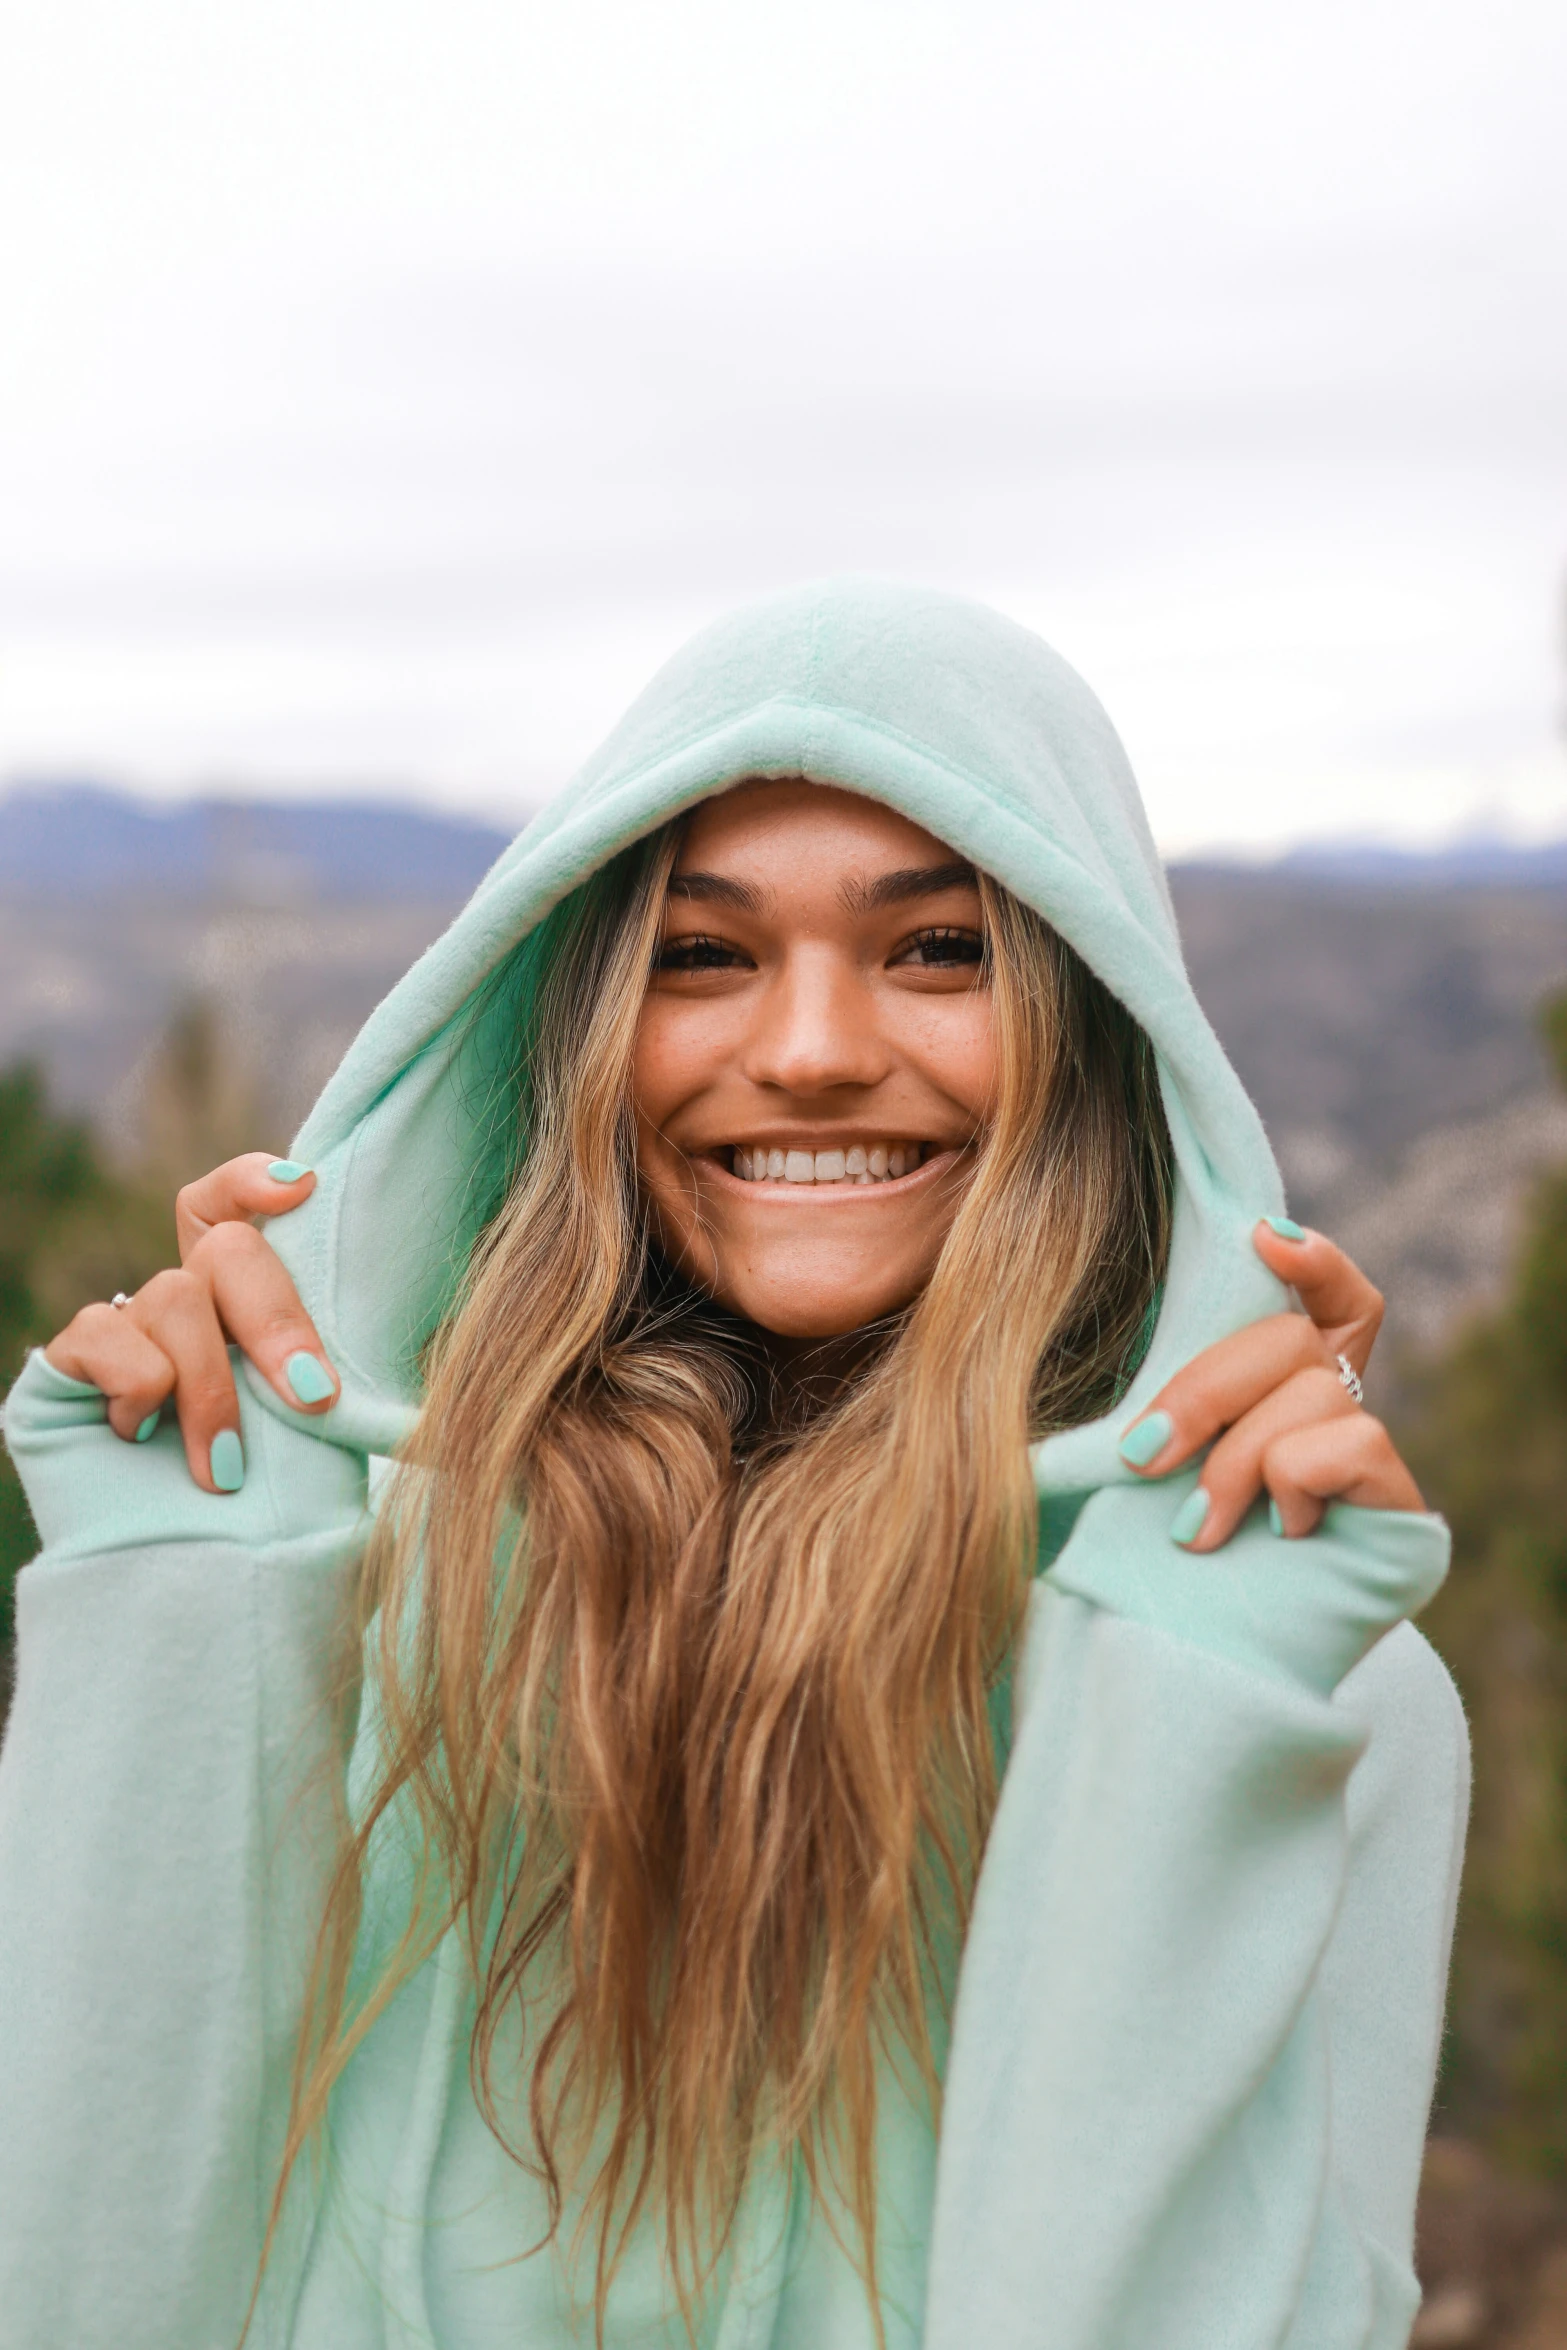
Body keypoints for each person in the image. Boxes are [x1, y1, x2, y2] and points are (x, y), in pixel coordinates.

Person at [0, 581, 1467, 2350]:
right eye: (703, 953)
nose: (811, 1049)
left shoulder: (1316, 1691)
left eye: (941, 950)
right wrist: (179, 1603)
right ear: (575, 1030)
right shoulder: (360, 1594)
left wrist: (1182, 1700)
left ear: (1098, 1027)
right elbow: (101, 2285)